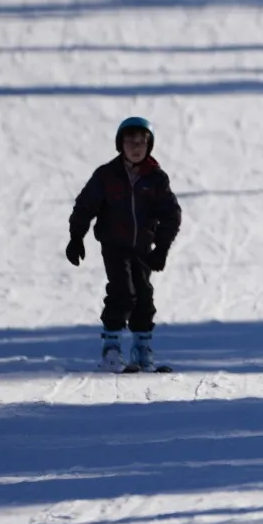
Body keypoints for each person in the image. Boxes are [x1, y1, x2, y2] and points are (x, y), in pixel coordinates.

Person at [66, 116, 183, 372]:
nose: (136, 147)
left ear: (149, 146)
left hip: (142, 248)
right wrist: (76, 237)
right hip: (114, 245)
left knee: (144, 297)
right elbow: (85, 206)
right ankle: (111, 349)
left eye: (142, 142)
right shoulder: (107, 175)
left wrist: (161, 248)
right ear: (121, 144)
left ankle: (142, 349)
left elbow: (171, 214)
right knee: (122, 292)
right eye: (131, 141)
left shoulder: (156, 179)